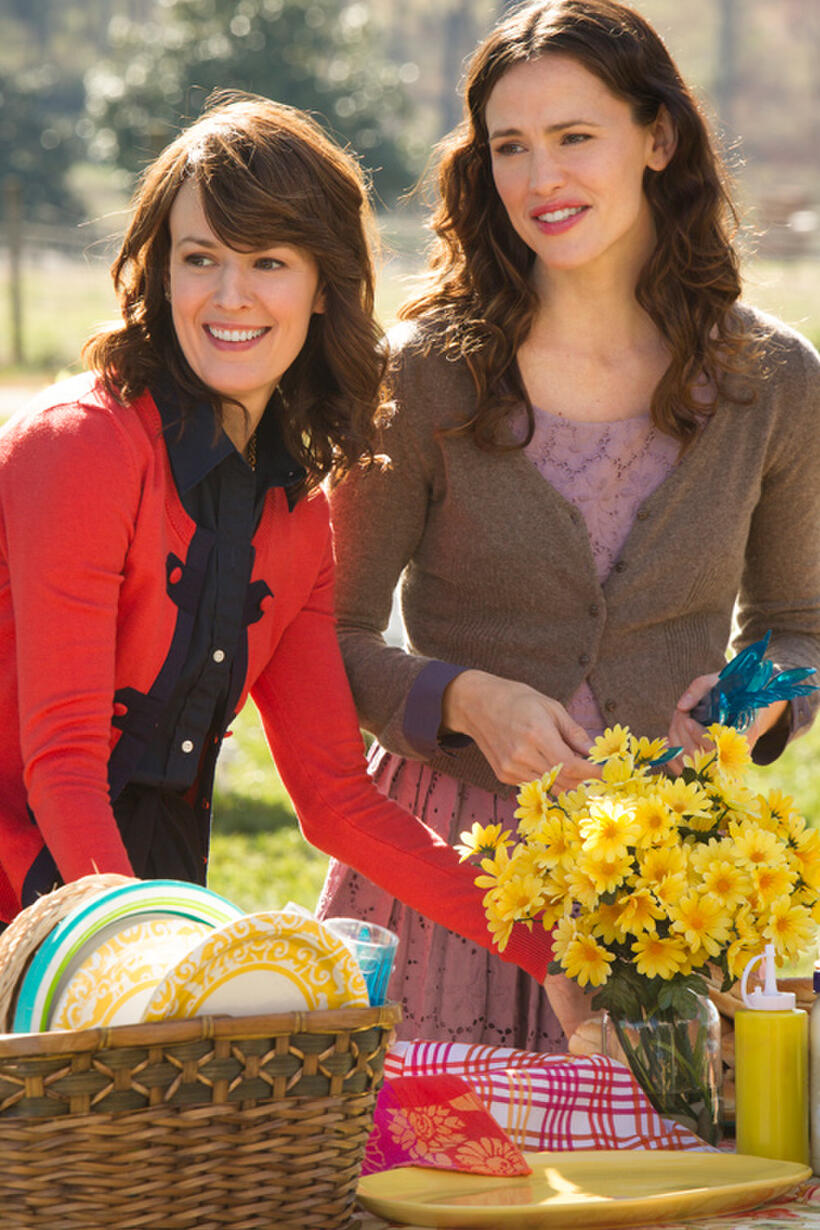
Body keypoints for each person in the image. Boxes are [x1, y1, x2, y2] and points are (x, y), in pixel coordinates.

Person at [318, 0, 820, 1049]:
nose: (540, 177)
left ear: (658, 137)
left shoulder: (773, 381)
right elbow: (329, 636)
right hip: (451, 873)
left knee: (683, 1153)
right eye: (510, 145)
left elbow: (801, 624)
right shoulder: (420, 376)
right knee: (441, 1154)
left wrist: (747, 707)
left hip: (672, 884)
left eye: (574, 136)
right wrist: (462, 697)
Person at [0, 92, 561, 1011]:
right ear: (162, 273)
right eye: (200, 259)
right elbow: (61, 765)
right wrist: (147, 977)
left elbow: (337, 798)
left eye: (267, 260)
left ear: (322, 283)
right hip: (51, 931)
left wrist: (555, 954)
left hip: (141, 930)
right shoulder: (80, 445)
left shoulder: (297, 515)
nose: (230, 295)